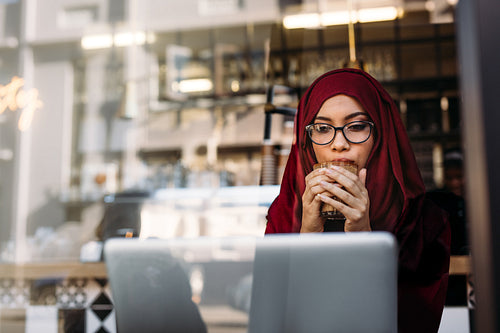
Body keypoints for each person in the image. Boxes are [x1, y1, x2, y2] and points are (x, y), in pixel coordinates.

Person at [265, 68, 450, 333]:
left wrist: (364, 236)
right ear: (307, 141)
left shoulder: (423, 221)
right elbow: (273, 320)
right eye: (322, 128)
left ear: (380, 136)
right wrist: (307, 235)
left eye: (357, 126)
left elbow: (413, 323)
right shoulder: (285, 213)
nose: (339, 143)